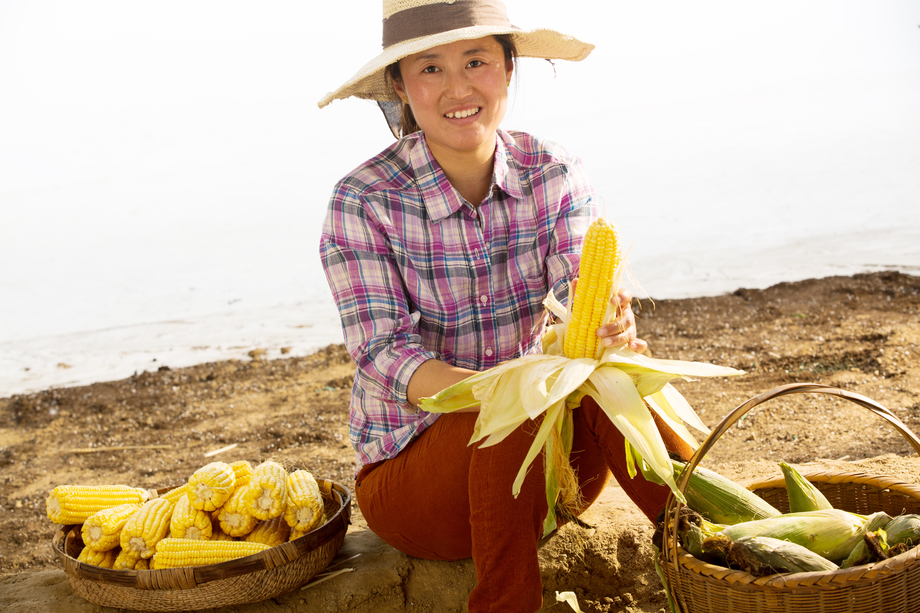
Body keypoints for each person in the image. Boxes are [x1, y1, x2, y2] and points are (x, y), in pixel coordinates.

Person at [317, 2, 690, 611]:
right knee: (515, 400)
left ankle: (715, 554)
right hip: (416, 480)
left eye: (476, 61)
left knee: (606, 381)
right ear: (400, 86)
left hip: (551, 471)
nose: (459, 88)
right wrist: (504, 391)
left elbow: (581, 298)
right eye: (430, 69)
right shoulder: (363, 200)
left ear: (509, 69)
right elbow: (383, 353)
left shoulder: (555, 171)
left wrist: (607, 331)